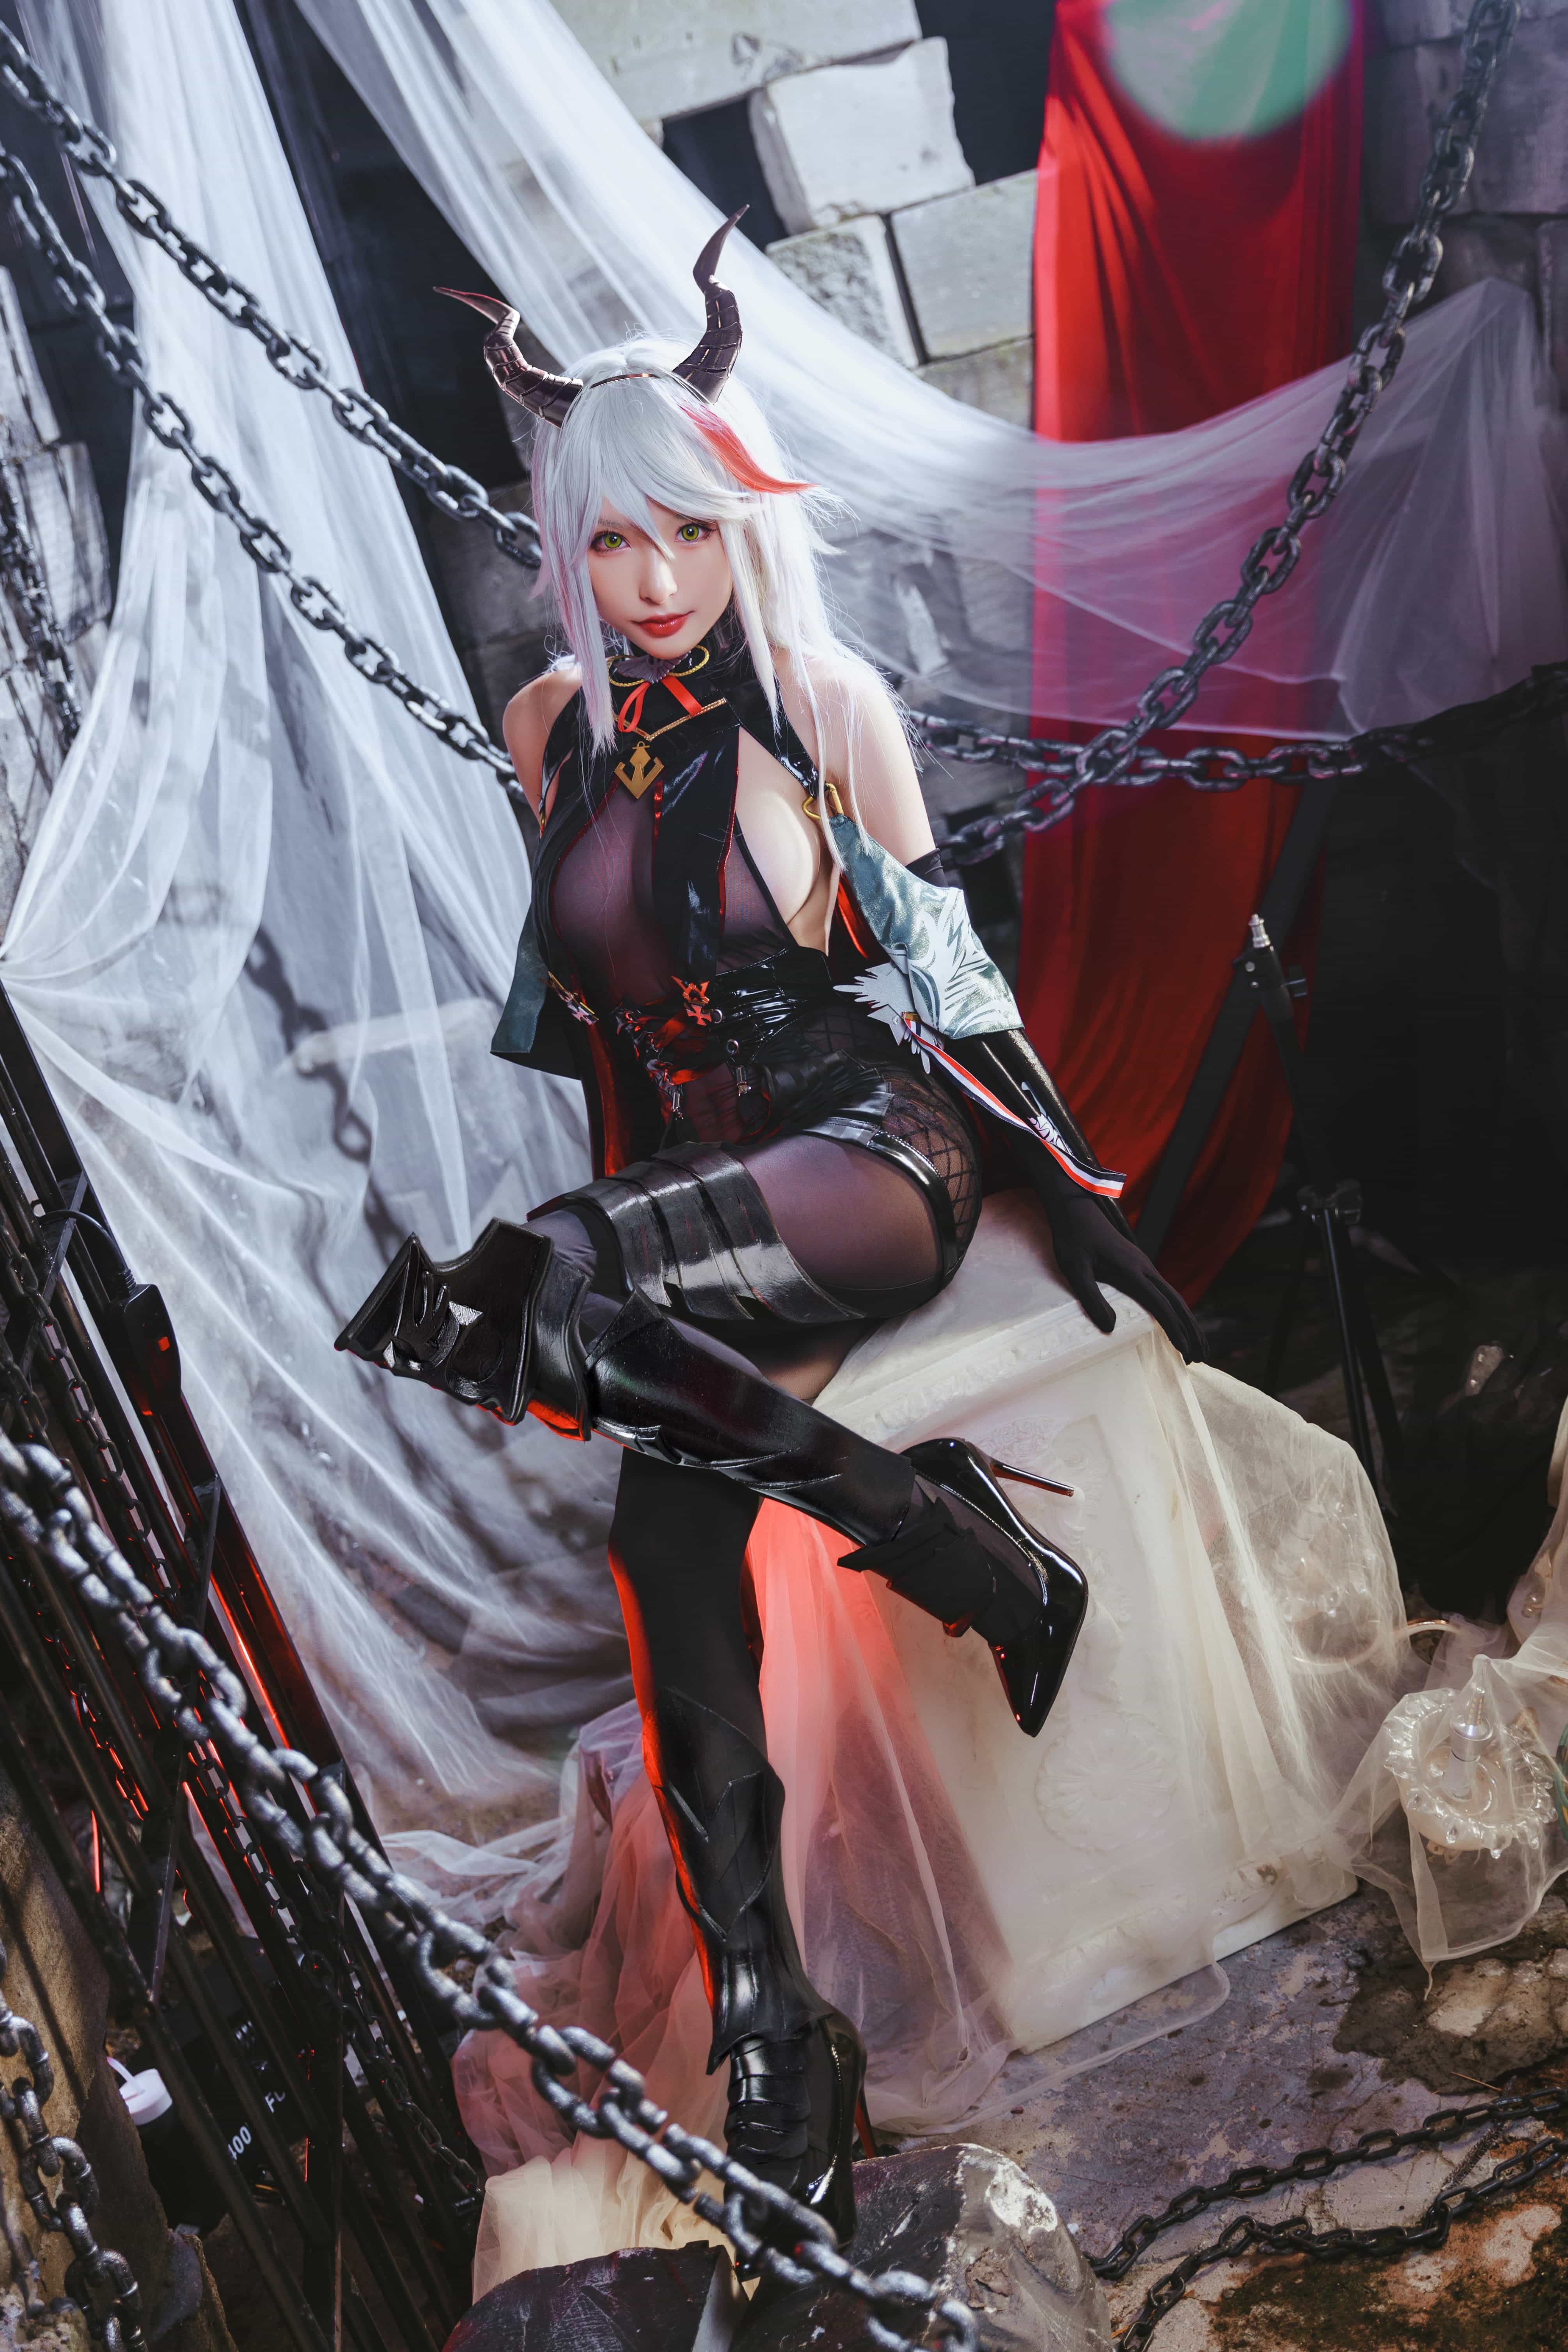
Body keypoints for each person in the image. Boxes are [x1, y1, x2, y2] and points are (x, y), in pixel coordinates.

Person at [337, 218, 1200, 2248]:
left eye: (690, 536)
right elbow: (604, 1040)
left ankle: (967, 1549)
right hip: (699, 1215)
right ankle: (777, 2022)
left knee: (506, 1293)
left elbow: (949, 995)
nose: (655, 582)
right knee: (660, 1538)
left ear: (742, 530)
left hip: (871, 1161)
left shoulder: (825, 705)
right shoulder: (553, 730)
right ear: (567, 549)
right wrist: (624, 1260)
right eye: (613, 542)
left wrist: (1074, 1200)